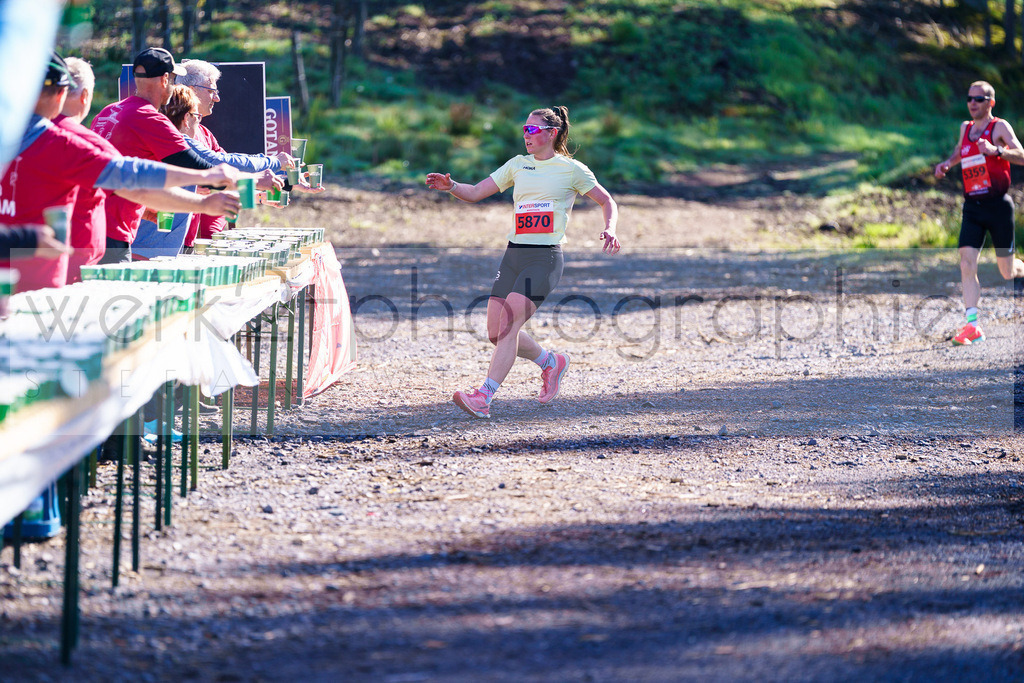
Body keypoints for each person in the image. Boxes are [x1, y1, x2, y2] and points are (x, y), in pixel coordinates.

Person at [425, 106, 621, 419]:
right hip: (514, 253)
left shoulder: (572, 170)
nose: (526, 136)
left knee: (510, 326)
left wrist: (610, 228)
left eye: (532, 130)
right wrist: (451, 187)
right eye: (524, 130)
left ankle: (483, 397)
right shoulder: (518, 165)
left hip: (544, 258)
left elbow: (606, 200)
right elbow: (475, 192)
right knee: (496, 330)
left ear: (551, 133)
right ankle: (550, 362)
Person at [0, 52, 241, 292]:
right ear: (66, 95)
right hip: (48, 280)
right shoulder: (62, 141)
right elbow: (131, 177)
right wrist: (204, 187)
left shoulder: (103, 115)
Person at [90, 47, 267, 263]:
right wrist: (254, 181)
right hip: (115, 232)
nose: (176, 88)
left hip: (93, 225)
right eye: (175, 81)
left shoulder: (108, 112)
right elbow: (197, 167)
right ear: (165, 79)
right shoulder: (149, 118)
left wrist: (143, 210)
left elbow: (114, 175)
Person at [934, 80, 1024, 345]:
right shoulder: (965, 128)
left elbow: (1022, 154)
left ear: (991, 103)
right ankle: (972, 326)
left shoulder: (1000, 127)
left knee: (1007, 272)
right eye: (969, 98)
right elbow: (959, 151)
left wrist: (997, 151)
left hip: (998, 206)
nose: (973, 102)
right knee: (966, 263)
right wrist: (947, 164)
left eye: (979, 98)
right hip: (972, 206)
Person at [178, 59, 297, 244]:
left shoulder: (204, 133)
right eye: (212, 91)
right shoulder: (172, 132)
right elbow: (224, 165)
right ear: (192, 91)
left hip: (191, 239)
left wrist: (266, 193)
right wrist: (274, 162)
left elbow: (226, 178)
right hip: (170, 242)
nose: (217, 98)